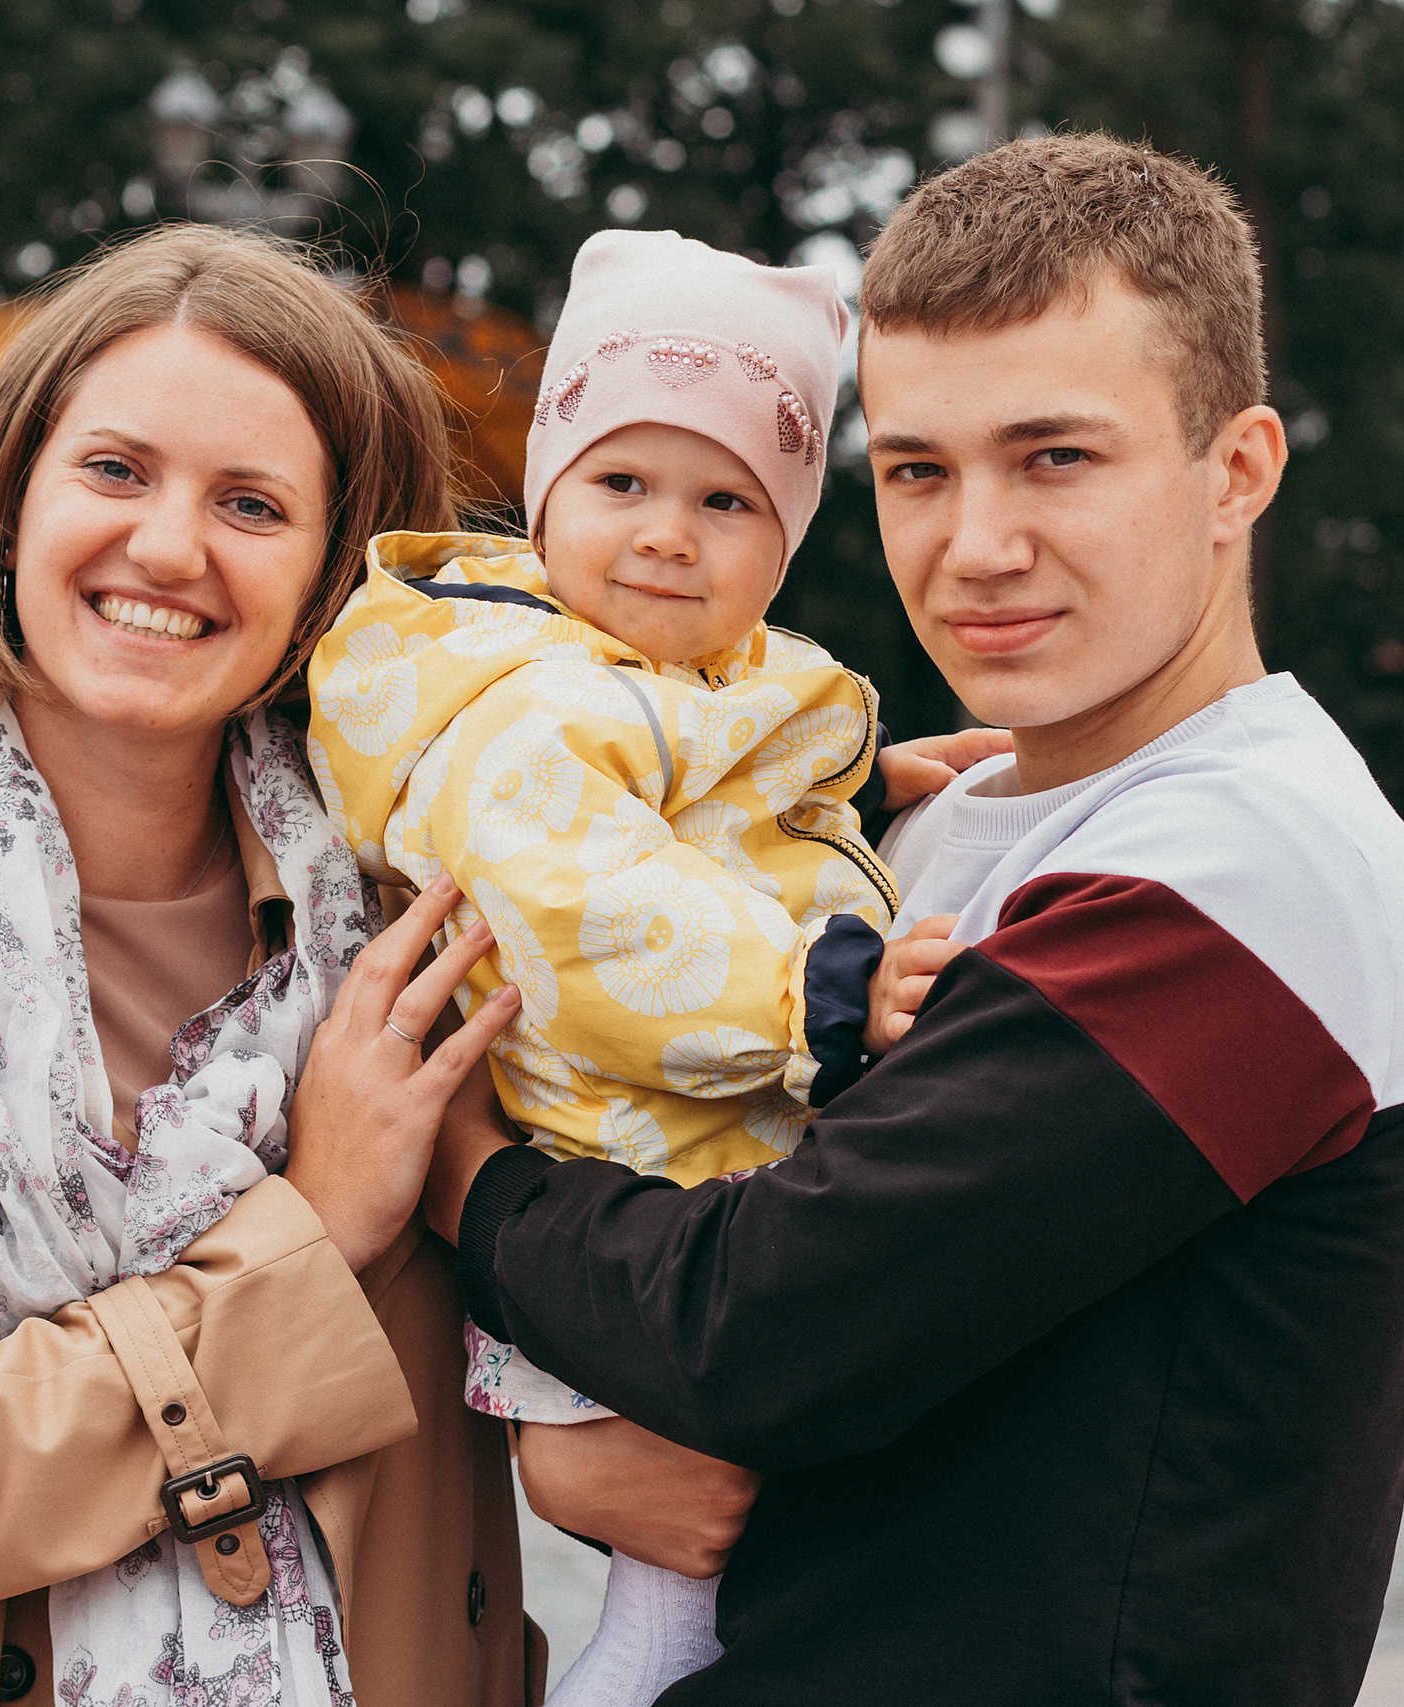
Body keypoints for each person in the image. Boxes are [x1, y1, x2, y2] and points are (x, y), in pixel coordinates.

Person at [430, 133, 1404, 1704]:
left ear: (1239, 472)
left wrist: (455, 1169)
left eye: (1056, 458)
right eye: (918, 469)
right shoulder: (925, 829)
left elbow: (756, 1329)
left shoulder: (1248, 870)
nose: (975, 547)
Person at [0, 225, 537, 1707]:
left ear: (333, 575)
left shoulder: (427, 915)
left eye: (252, 504)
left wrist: (803, 806)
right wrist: (310, 1233)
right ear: (7, 506)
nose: (169, 548)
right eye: (116, 471)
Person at [306, 231, 1005, 1707]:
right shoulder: (520, 707)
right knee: (683, 1599)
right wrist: (822, 993)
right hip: (618, 1167)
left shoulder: (662, 675)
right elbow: (593, 906)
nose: (668, 536)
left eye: (726, 501)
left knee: (730, 1577)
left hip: (671, 1154)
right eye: (622, 483)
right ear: (546, 490)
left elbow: (704, 778)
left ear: (786, 541)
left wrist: (860, 781)